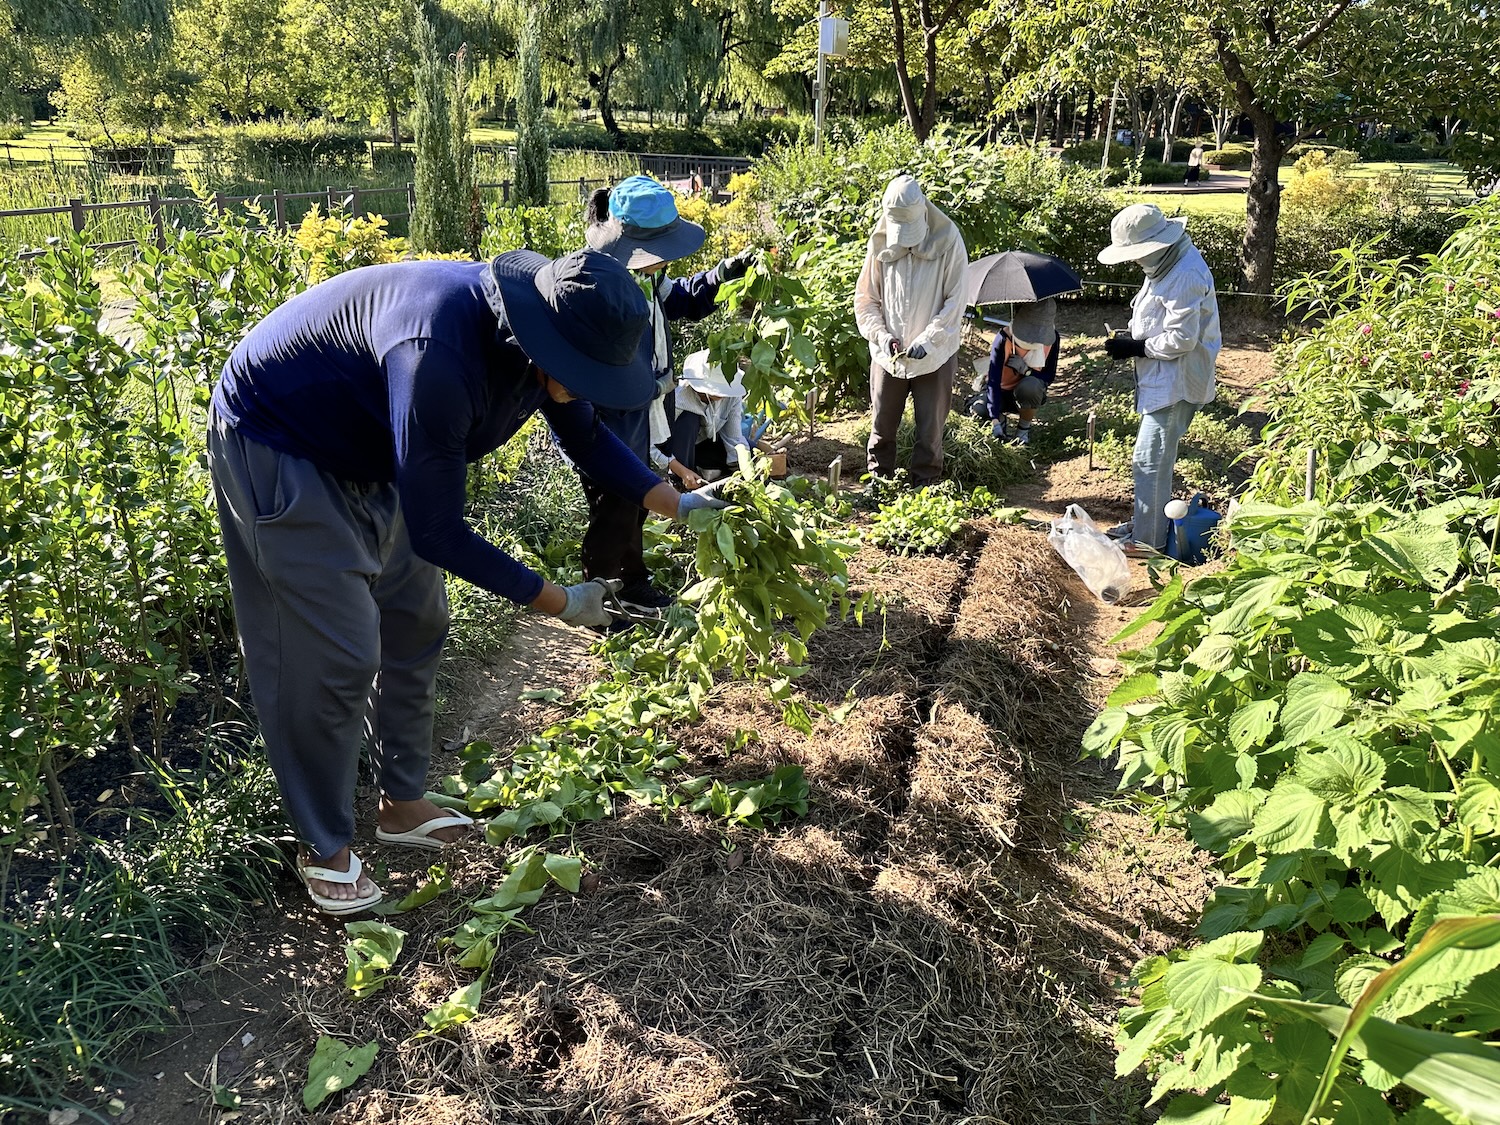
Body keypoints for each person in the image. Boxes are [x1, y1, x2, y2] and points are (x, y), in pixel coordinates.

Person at [207, 249, 729, 916]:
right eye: (587, 373)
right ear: (550, 347)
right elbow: (438, 533)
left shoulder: (546, 332)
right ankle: (324, 845)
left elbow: (590, 440)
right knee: (334, 653)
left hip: (364, 444)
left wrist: (678, 505)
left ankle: (401, 801)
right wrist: (560, 601)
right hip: (279, 439)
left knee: (419, 618)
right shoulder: (439, 357)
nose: (591, 383)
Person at [581, 175, 756, 616]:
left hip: (644, 408)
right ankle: (598, 597)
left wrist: (721, 276)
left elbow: (678, 300)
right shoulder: (598, 283)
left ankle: (632, 579)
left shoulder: (647, 278)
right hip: (607, 414)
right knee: (612, 506)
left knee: (636, 499)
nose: (664, 261)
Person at [1098, 203, 1221, 555]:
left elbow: (1182, 339)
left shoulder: (1184, 273)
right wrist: (1134, 339)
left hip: (1176, 380)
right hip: (1164, 377)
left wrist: (1137, 346)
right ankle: (1146, 525)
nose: (1136, 261)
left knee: (1150, 458)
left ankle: (1147, 542)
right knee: (1151, 457)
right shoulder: (1167, 261)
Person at [853, 173, 968, 486]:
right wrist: (882, 336)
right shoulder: (879, 243)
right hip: (888, 354)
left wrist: (929, 340)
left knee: (929, 432)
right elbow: (866, 300)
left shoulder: (949, 240)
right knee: (881, 427)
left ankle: (925, 490)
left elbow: (956, 302)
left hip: (935, 356)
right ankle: (879, 485)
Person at [970, 298, 1060, 447]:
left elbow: (1049, 376)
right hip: (1000, 392)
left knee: (1030, 386)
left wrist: (1026, 371)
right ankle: (1001, 421)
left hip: (1025, 394)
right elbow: (993, 381)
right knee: (979, 409)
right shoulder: (1003, 339)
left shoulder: (1053, 339)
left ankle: (1023, 430)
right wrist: (994, 420)